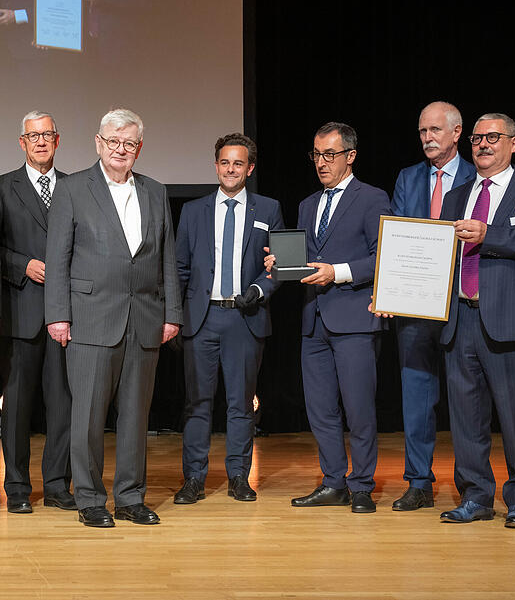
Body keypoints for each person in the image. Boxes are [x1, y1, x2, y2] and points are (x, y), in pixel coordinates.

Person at [44, 108, 181, 527]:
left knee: (136, 416)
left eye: (129, 144)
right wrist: (58, 316)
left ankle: (130, 497)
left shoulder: (155, 191)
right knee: (86, 417)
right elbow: (58, 257)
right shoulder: (71, 189)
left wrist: (172, 312)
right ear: (98, 143)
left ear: (138, 148)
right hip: (88, 318)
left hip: (144, 319)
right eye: (113, 142)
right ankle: (88, 499)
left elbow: (167, 259)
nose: (121, 150)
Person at [438, 113, 515, 529]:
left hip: (514, 318)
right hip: (460, 319)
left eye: (493, 137)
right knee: (466, 419)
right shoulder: (456, 196)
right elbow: (438, 256)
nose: (483, 144)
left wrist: (487, 233)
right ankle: (475, 497)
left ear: (514, 143)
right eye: (476, 138)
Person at [265, 122, 390, 513]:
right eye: (317, 155)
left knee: (358, 409)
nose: (321, 162)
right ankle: (333, 481)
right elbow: (305, 262)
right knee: (320, 410)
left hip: (354, 318)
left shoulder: (372, 198)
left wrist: (338, 271)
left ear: (350, 156)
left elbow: (381, 256)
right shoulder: (307, 204)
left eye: (329, 155)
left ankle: (363, 485)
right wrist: (279, 265)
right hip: (313, 319)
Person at [173, 133, 283, 505]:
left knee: (240, 404)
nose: (230, 169)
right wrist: (175, 316)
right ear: (216, 165)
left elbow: (279, 265)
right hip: (201, 319)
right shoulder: (193, 211)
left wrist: (260, 289)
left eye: (238, 163)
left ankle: (238, 476)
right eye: (224, 162)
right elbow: (180, 268)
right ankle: (194, 479)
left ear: (249, 168)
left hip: (244, 318)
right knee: (197, 403)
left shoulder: (268, 210)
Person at [389, 101, 476, 511]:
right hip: (415, 305)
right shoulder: (408, 178)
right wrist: (389, 290)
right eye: (422, 131)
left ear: (457, 133)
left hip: (464, 303)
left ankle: (470, 487)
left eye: (435, 130)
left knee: (466, 400)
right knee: (417, 398)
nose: (427, 138)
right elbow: (400, 236)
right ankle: (419, 482)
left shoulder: (479, 176)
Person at [0, 110, 74, 514]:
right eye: (33, 136)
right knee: (18, 409)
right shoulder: (0, 188)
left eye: (48, 135)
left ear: (57, 141)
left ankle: (58, 486)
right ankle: (18, 488)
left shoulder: (78, 188)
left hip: (67, 316)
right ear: (21, 143)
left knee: (64, 407)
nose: (41, 142)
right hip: (20, 314)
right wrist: (22, 265)